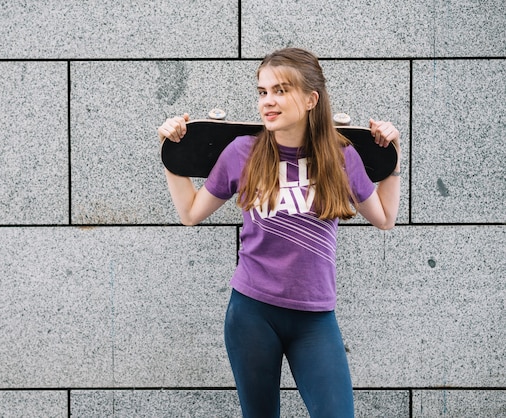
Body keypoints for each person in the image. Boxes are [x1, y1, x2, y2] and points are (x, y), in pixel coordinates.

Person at [157, 48, 400, 418]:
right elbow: (190, 212)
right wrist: (170, 155)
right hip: (252, 314)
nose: (268, 102)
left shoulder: (341, 157)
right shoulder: (243, 152)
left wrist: (393, 158)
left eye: (281, 91)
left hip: (315, 319)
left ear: (310, 99)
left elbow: (384, 218)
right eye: (262, 92)